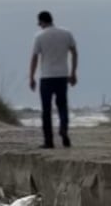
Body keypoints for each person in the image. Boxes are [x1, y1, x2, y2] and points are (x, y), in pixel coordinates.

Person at [29, 11, 78, 149]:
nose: (39, 25)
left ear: (42, 21)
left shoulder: (39, 36)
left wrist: (31, 77)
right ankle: (63, 128)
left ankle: (49, 141)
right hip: (62, 75)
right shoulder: (66, 33)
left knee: (46, 110)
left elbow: (34, 58)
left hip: (46, 76)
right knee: (62, 105)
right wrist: (73, 72)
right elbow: (74, 53)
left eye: (39, 23)